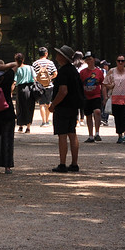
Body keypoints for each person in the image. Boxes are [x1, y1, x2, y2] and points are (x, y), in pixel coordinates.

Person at [48, 45, 83, 173]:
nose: (56, 56)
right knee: (72, 134)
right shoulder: (74, 71)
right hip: (73, 107)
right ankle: (74, 164)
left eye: (58, 54)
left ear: (63, 57)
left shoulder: (63, 71)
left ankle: (62, 164)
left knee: (62, 135)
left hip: (63, 108)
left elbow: (63, 91)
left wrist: (53, 105)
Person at [79, 52, 105, 142]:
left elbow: (103, 85)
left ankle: (97, 133)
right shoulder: (82, 72)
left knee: (97, 111)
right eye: (87, 59)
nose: (88, 61)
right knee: (88, 115)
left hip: (96, 95)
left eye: (90, 59)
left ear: (94, 59)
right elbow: (79, 85)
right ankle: (90, 135)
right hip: (86, 97)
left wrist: (105, 97)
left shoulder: (99, 72)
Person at [31, 47, 57, 127]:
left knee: (41, 104)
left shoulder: (35, 63)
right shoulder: (50, 63)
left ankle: (43, 121)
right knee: (48, 103)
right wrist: (50, 78)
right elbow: (55, 73)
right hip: (49, 86)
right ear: (46, 53)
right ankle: (47, 120)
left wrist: (38, 81)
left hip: (39, 87)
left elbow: (33, 75)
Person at [12, 52, 36, 134]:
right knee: (29, 107)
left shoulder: (17, 69)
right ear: (23, 59)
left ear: (16, 60)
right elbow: (35, 78)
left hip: (20, 89)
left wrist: (11, 91)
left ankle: (20, 126)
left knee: (20, 107)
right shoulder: (30, 67)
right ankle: (28, 127)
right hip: (30, 89)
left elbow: (14, 82)